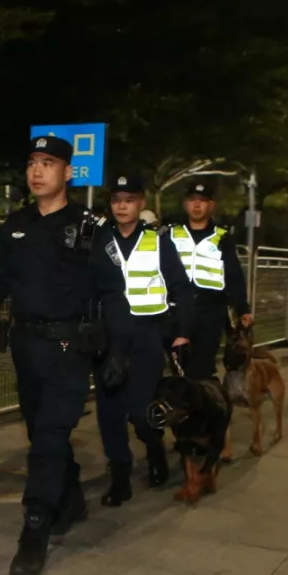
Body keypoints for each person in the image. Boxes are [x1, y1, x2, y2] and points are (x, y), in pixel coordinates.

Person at [0, 135, 127, 575]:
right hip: (27, 347)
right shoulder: (16, 225)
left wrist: (118, 348)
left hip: (70, 349)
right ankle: (69, 499)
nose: (37, 170)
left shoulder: (89, 227)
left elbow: (113, 292)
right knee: (40, 432)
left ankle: (34, 528)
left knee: (51, 436)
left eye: (48, 163)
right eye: (32, 162)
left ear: (68, 173)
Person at [93, 173, 193, 506]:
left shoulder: (158, 241)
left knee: (141, 411)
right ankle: (120, 476)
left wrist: (182, 332)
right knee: (109, 413)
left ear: (141, 204)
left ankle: (154, 448)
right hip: (108, 338)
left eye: (129, 200)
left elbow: (180, 287)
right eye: (116, 200)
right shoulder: (99, 239)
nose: (122, 206)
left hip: (145, 335)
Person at [168, 181, 252, 380]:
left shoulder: (222, 237)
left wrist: (243, 309)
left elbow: (233, 275)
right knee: (177, 367)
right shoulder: (170, 234)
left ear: (211, 205)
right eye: (192, 200)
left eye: (202, 201)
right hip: (175, 309)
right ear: (185, 204)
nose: (197, 205)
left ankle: (204, 396)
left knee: (202, 367)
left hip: (210, 310)